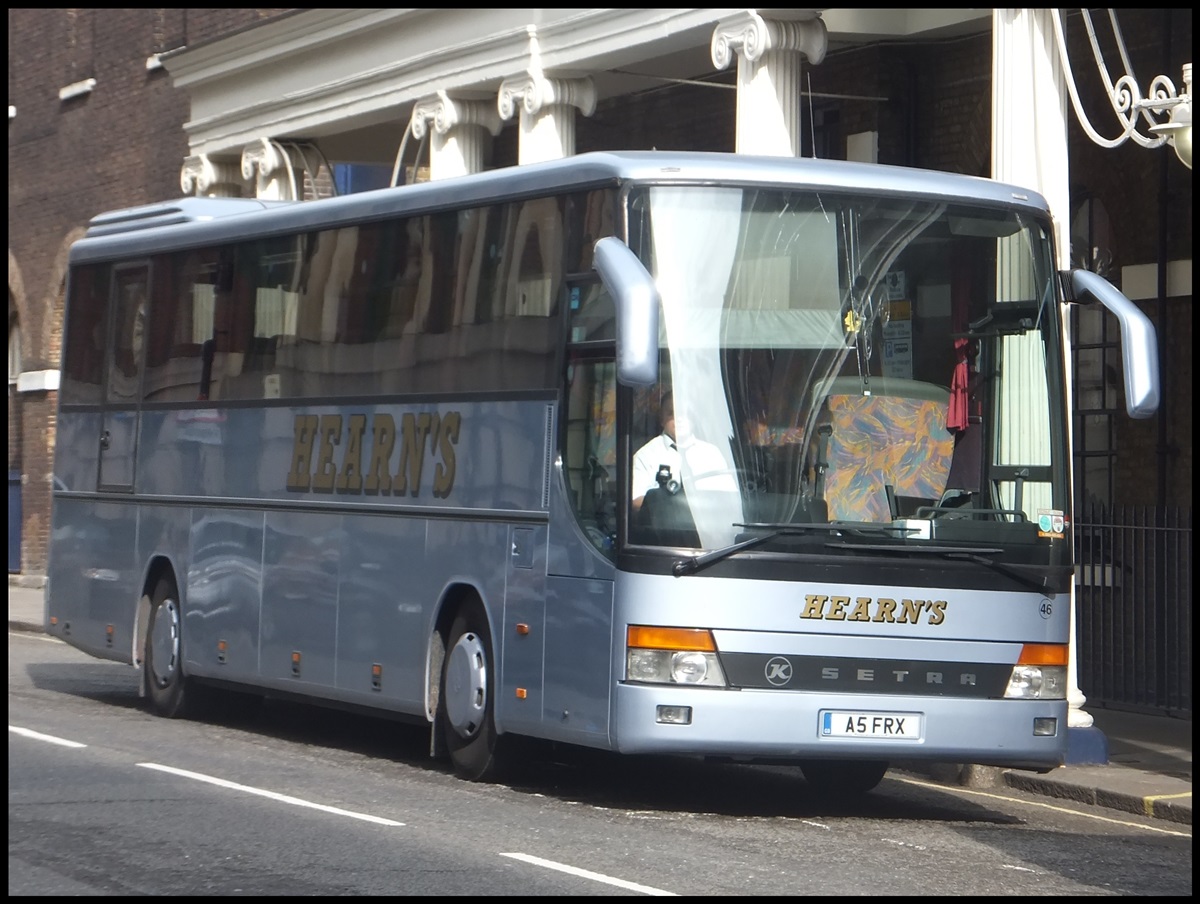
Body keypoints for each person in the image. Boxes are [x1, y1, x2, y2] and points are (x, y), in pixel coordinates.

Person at [631, 395, 733, 512]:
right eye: (671, 413)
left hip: (710, 525)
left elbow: (730, 497)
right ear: (662, 419)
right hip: (666, 527)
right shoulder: (645, 455)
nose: (679, 418)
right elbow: (636, 500)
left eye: (684, 413)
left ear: (693, 419)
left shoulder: (712, 453)